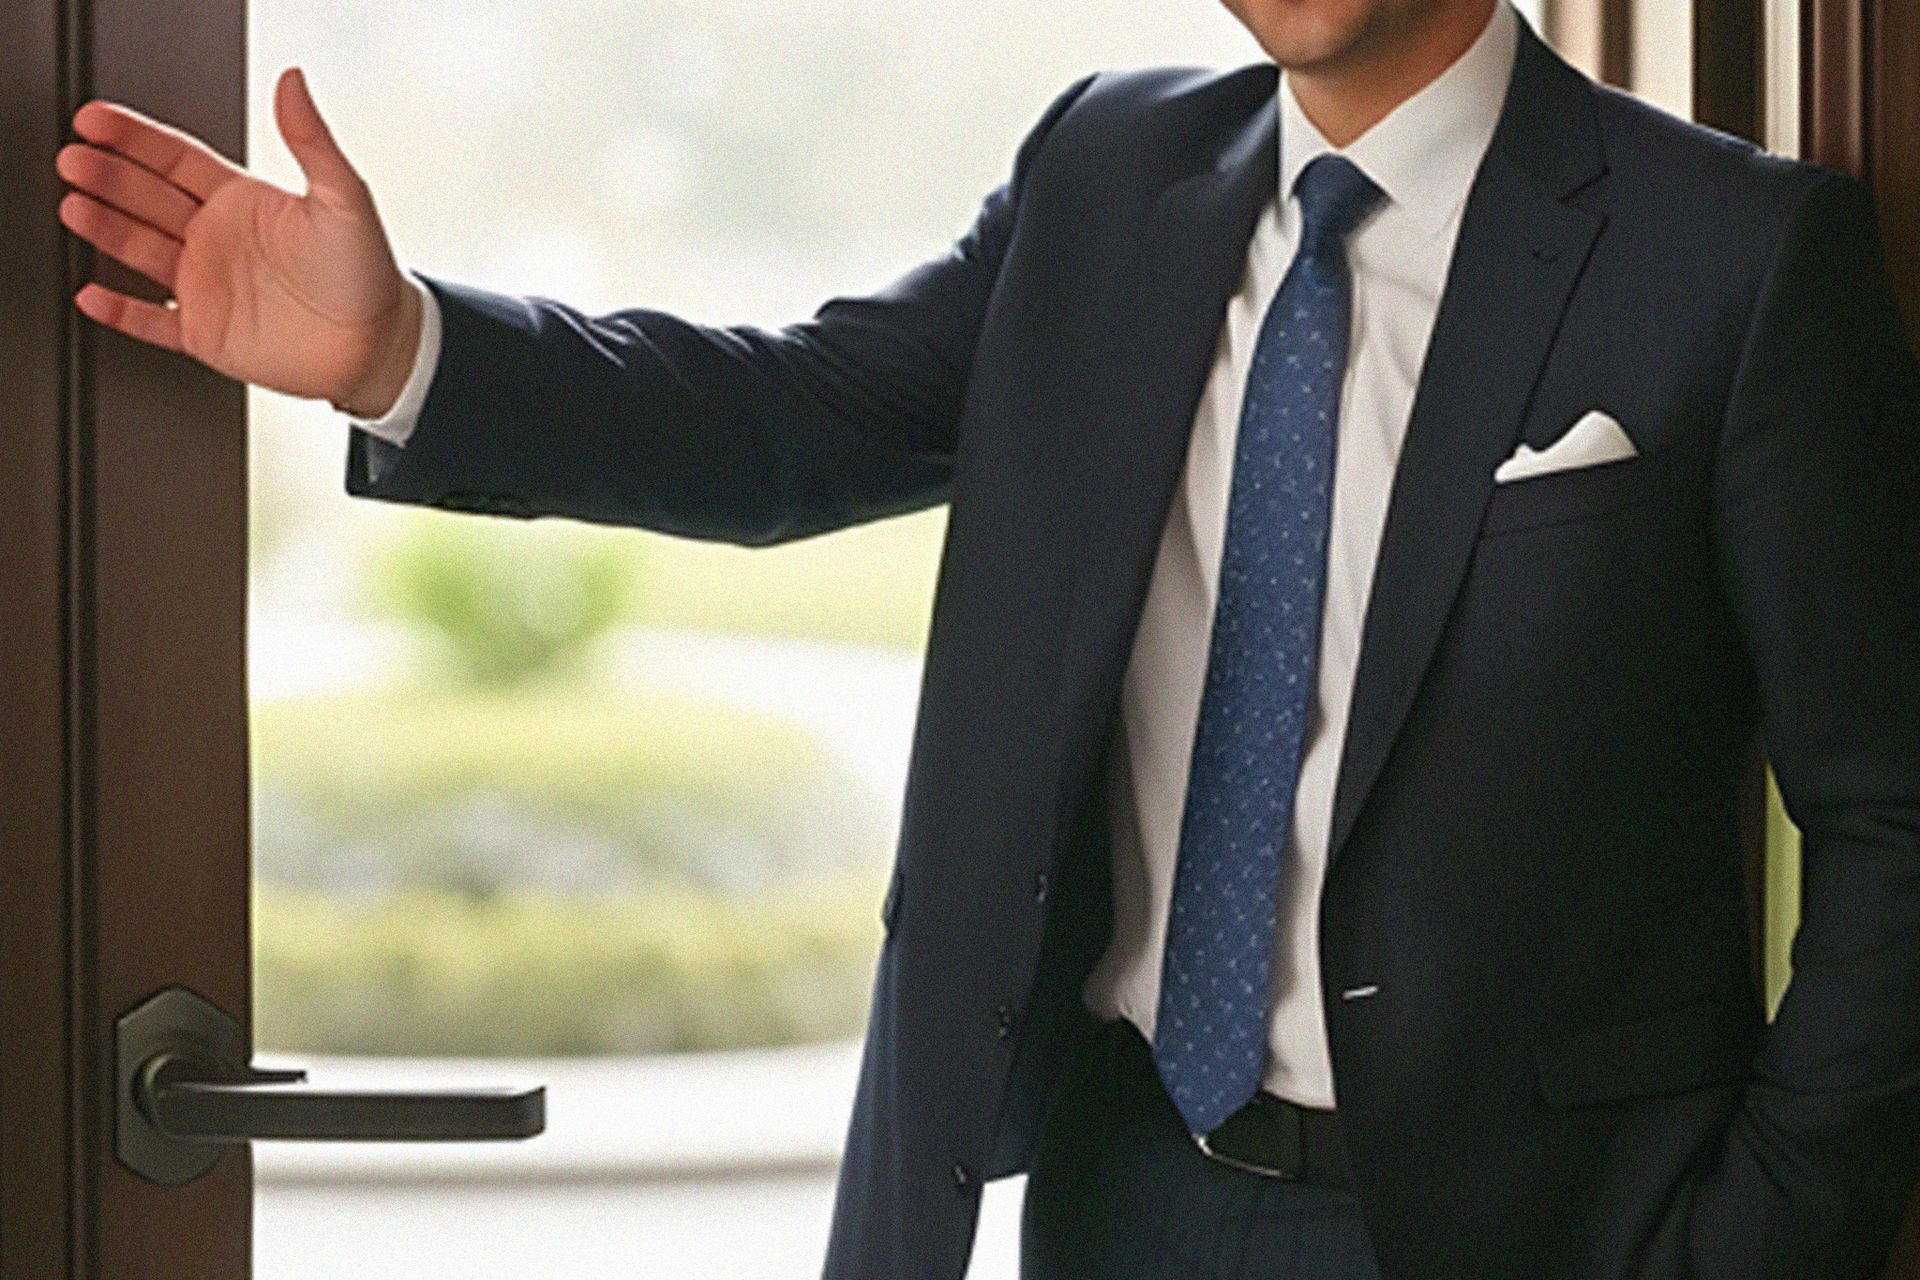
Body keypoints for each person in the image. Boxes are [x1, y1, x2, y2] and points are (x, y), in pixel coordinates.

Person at [52, 0, 1920, 1275]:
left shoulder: (1737, 257)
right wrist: (396, 354)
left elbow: (1891, 811)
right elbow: (791, 418)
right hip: (1121, 1198)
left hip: (1548, 1228)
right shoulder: (1111, 175)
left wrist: (1762, 1233)